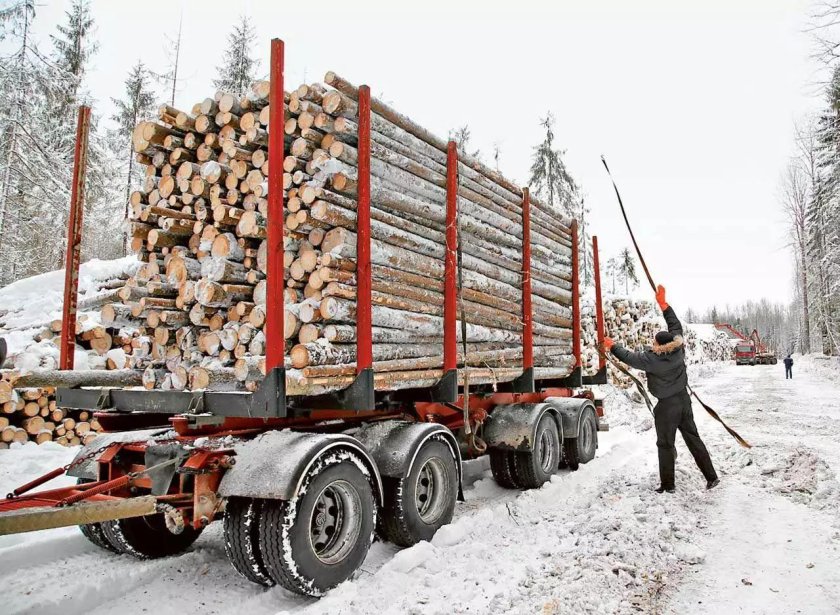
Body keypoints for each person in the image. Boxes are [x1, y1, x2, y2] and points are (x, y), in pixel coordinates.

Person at [603, 285, 719, 493]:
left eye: (654, 342)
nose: (652, 343)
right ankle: (711, 477)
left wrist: (612, 345)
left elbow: (629, 357)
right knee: (693, 439)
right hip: (684, 401)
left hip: (667, 407)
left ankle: (668, 485)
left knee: (665, 444)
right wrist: (664, 305)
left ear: (658, 345)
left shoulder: (652, 360)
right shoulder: (678, 348)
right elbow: (675, 326)